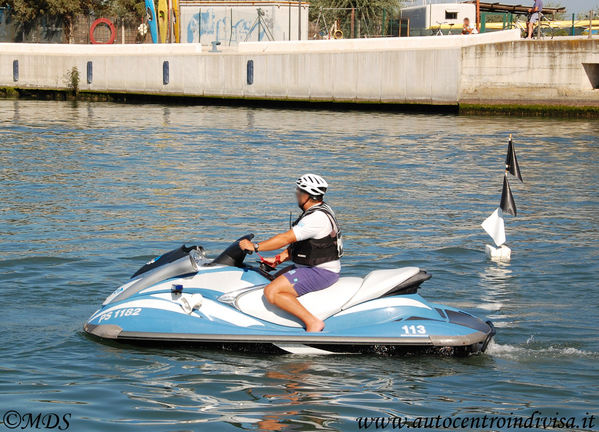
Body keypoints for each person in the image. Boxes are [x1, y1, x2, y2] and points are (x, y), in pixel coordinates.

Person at [239, 174, 343, 332]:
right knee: (269, 279)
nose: (296, 194)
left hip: (321, 271)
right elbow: (307, 246)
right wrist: (278, 259)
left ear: (307, 195)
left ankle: (313, 323)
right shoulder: (319, 210)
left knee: (271, 291)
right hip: (311, 267)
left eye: (299, 191)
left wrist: (255, 246)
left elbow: (285, 238)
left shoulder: (316, 218)